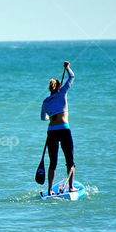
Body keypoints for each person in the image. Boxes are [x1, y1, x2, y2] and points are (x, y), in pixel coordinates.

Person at [41, 61, 76, 195]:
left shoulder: (45, 102)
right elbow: (71, 77)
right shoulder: (62, 94)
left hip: (51, 132)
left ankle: (49, 190)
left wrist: (51, 116)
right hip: (64, 129)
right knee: (70, 160)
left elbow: (43, 118)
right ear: (59, 87)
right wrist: (67, 68)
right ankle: (71, 187)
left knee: (53, 162)